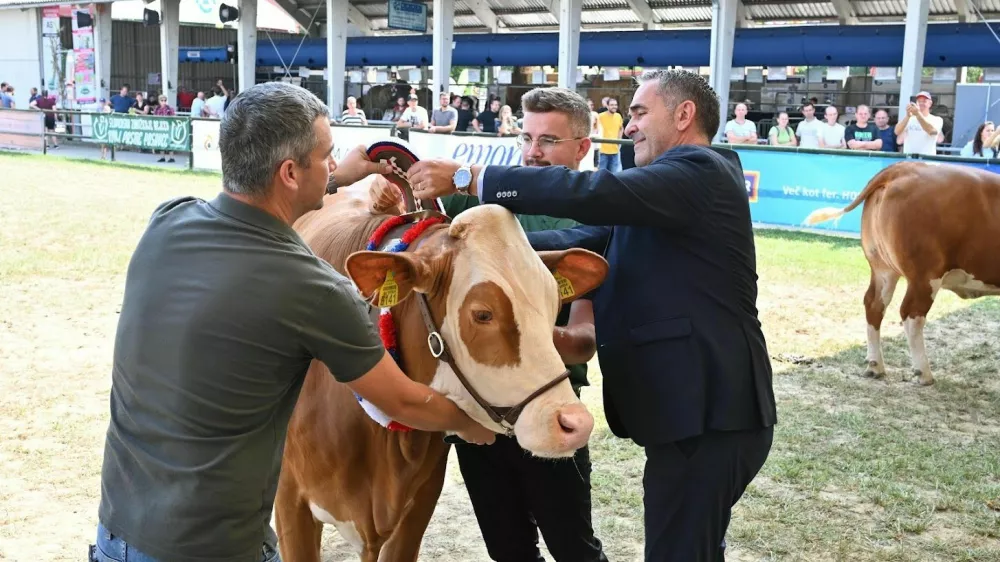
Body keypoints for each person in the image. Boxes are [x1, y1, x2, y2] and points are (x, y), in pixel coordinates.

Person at [91, 82, 494, 562]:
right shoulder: (313, 288)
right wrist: (469, 421)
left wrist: (334, 176)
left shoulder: (168, 220)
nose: (332, 165)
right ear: (288, 172)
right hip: (214, 547)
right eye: (326, 156)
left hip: (116, 532)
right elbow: (403, 402)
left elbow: (259, 196)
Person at [404, 69, 776, 562]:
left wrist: (470, 178)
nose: (628, 126)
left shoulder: (702, 170)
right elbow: (574, 241)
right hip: (692, 415)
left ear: (685, 115)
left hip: (710, 414)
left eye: (640, 112)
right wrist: (465, 255)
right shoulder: (662, 196)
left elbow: (593, 194)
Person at [372, 86, 609, 562]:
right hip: (477, 415)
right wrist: (380, 180)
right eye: (528, 137)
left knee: (574, 549)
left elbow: (584, 341)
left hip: (548, 402)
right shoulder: (477, 213)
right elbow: (419, 232)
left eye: (549, 141)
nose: (533, 152)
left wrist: (522, 333)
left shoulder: (598, 218)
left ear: (583, 148)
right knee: (508, 550)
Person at [895, 91, 944, 156]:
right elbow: (897, 131)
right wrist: (907, 116)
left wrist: (918, 115)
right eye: (919, 101)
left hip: (927, 160)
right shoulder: (909, 118)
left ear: (930, 103)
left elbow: (932, 132)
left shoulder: (937, 119)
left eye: (924, 101)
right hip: (909, 159)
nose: (921, 103)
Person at [596, 97, 625, 171]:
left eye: (615, 105)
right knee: (601, 174)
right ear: (607, 106)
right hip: (603, 151)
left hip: (615, 150)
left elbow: (621, 128)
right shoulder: (600, 116)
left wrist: (619, 141)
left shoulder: (618, 116)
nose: (614, 106)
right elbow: (595, 129)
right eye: (612, 105)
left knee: (614, 175)